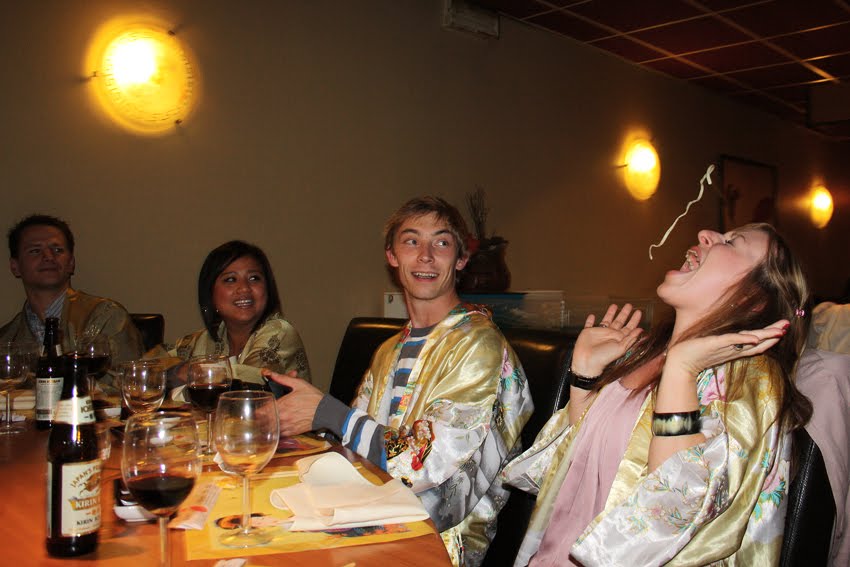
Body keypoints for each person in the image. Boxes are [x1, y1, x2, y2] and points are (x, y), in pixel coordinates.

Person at [502, 223, 811, 566]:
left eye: (731, 242)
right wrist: (584, 377)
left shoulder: (750, 377)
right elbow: (580, 472)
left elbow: (671, 513)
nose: (705, 233)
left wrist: (681, 370)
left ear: (752, 299)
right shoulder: (646, 352)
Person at [265, 196, 534, 566]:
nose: (426, 256)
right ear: (392, 256)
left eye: (441, 242)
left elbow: (424, 465)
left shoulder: (479, 346)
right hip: (375, 516)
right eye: (411, 241)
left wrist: (328, 413)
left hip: (437, 544)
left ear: (460, 259)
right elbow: (358, 442)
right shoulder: (390, 350)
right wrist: (300, 416)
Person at [0, 214, 143, 393]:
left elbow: (131, 385)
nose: (48, 256)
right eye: (35, 251)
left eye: (57, 250)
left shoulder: (107, 316)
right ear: (15, 266)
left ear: (71, 263)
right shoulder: (6, 339)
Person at [165, 240, 311, 393]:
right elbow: (154, 366)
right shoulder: (210, 338)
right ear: (210, 294)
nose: (244, 288)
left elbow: (248, 384)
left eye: (254, 278)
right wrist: (177, 372)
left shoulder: (280, 332)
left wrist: (195, 372)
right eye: (230, 280)